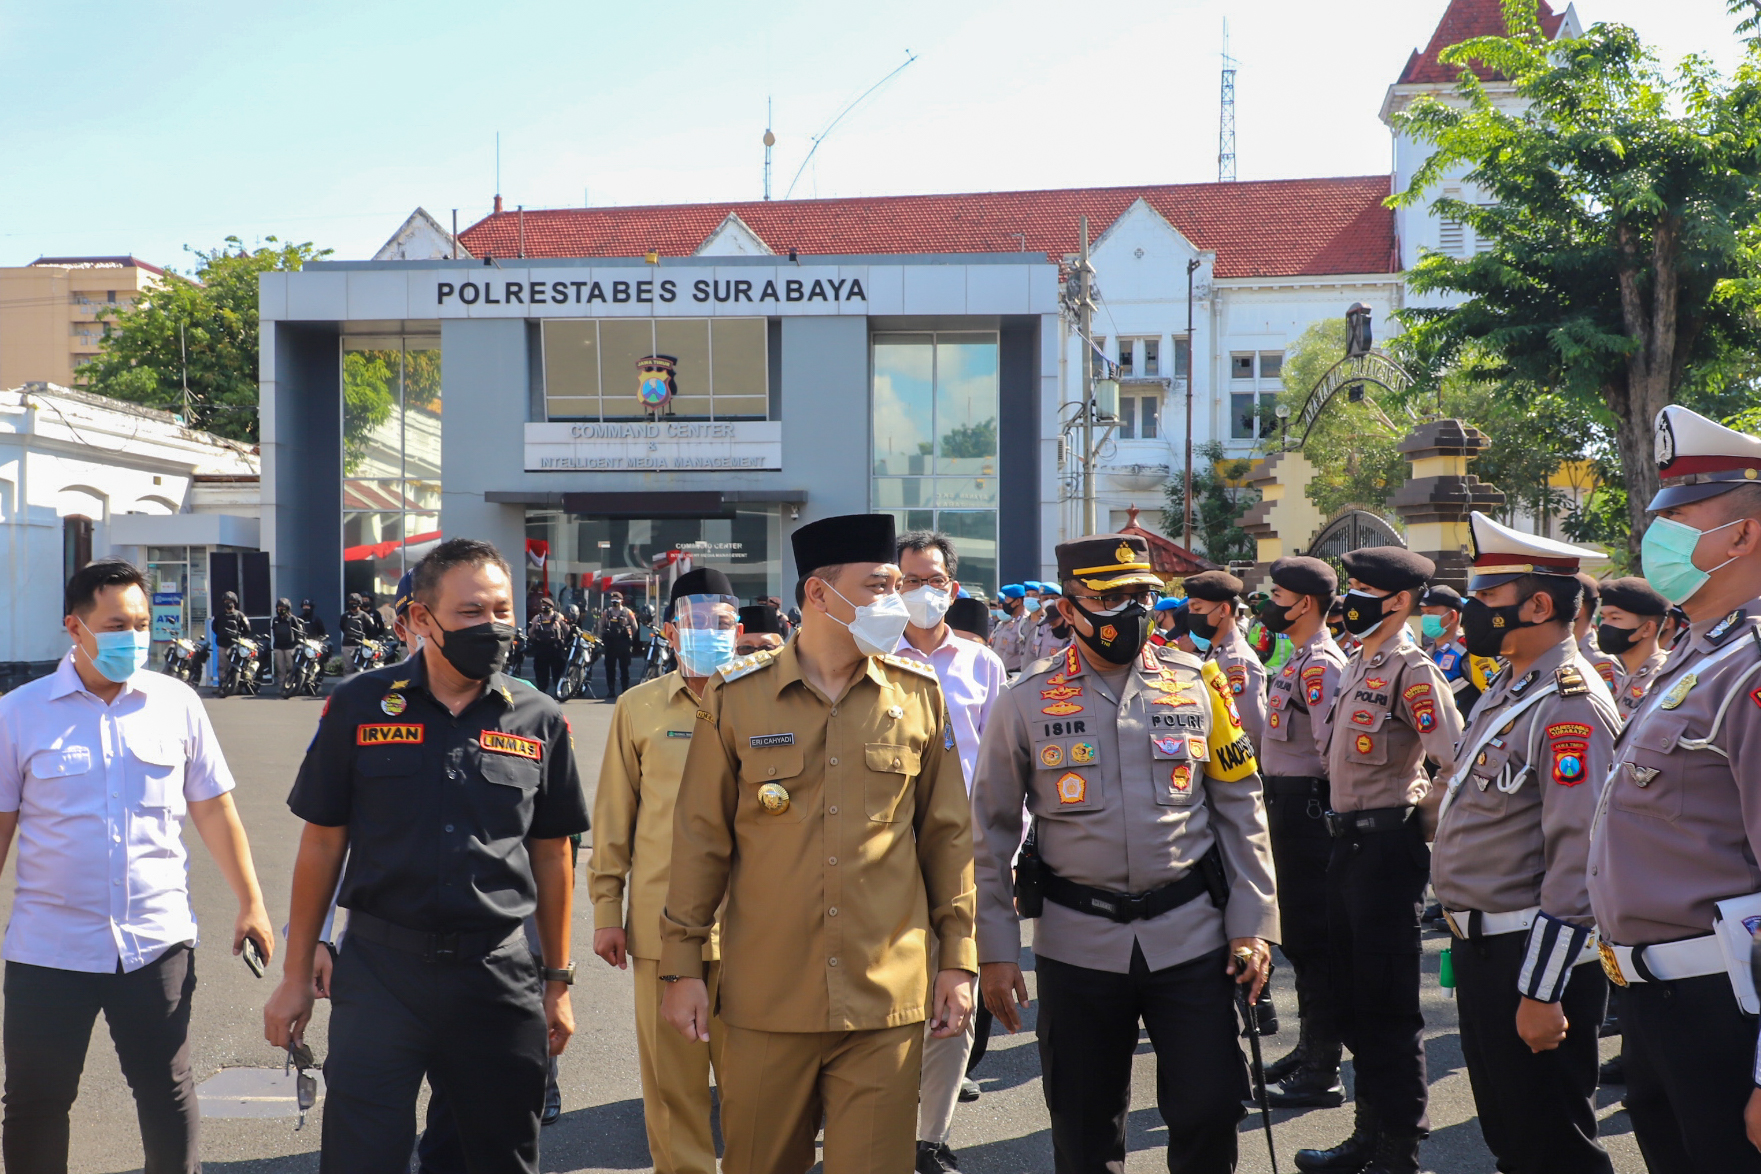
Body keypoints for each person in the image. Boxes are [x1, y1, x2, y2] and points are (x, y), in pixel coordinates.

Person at [659, 513, 975, 1174]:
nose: (897, 602)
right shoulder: (737, 699)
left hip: (884, 999)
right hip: (765, 999)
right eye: (879, 586)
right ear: (818, 596)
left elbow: (946, 839)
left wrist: (959, 960)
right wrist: (681, 967)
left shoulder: (918, 697)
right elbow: (698, 841)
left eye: (897, 586)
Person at [263, 538, 589, 1174]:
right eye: (470, 613)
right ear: (418, 618)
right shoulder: (359, 706)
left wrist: (558, 983)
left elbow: (553, 858)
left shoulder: (540, 718)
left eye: (501, 611)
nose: (491, 627)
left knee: (491, 1158)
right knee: (363, 1156)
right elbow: (323, 843)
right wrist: (297, 973)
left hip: (496, 976)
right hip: (383, 972)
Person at [971, 533, 1276, 1174]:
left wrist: (1253, 927)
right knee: (1085, 1126)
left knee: (1211, 1108)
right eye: (1109, 598)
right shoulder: (1024, 699)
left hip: (1191, 936)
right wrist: (995, 953)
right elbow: (990, 833)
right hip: (1077, 942)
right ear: (1070, 610)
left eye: (1140, 595)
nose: (1130, 612)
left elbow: (1241, 807)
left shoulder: (1199, 684)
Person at [0, 560, 274, 1173]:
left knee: (166, 1092)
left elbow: (214, 811)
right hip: (49, 950)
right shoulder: (19, 713)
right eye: (117, 624)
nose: (135, 637)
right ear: (75, 626)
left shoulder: (176, 704)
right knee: (36, 1103)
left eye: (143, 624)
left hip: (155, 944)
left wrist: (251, 902)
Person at [1586, 406, 1761, 1173]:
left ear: (1742, 535)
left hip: (1725, 1008)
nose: (1655, 536)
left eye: (1681, 517)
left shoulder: (1750, 667)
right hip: (1654, 1001)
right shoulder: (1696, 656)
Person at [1430, 513, 1618, 1174]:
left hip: (1530, 956)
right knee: (1513, 1138)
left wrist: (1540, 989)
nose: (1467, 613)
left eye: (1484, 599)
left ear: (1536, 605)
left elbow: (1579, 860)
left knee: (1551, 1145)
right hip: (1485, 948)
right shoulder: (1511, 687)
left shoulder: (1566, 704)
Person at [1295, 548, 1462, 1174]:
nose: (1351, 599)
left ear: (1398, 601)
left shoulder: (1413, 671)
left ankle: (1398, 1146)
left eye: (1363, 589)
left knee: (1388, 1008)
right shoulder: (1361, 657)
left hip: (1385, 851)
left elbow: (1456, 762)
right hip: (1346, 847)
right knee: (1353, 999)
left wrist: (1413, 831)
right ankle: (1369, 1132)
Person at [591, 569, 742, 1174]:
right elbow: (613, 820)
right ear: (670, 632)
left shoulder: (770, 697)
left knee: (756, 1088)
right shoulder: (640, 707)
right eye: (697, 623)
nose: (711, 634)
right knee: (672, 1087)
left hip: (755, 928)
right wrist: (607, 912)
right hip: (659, 929)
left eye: (723, 624)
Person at [889, 531, 1008, 1174]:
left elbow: (1001, 764)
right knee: (886, 996)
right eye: (907, 580)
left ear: (951, 588)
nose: (920, 591)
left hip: (965, 853)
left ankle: (926, 1140)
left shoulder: (983, 662)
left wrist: (1008, 852)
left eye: (931, 580)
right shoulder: (874, 652)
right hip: (887, 852)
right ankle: (874, 1124)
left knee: (954, 993)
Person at [1255, 556, 1351, 1108]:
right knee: (1301, 939)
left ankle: (1322, 1066)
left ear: (1305, 603)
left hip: (1308, 813)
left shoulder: (1321, 665)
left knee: (1314, 942)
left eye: (1278, 595)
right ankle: (1310, 1046)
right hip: (1286, 810)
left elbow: (1329, 750)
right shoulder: (1299, 659)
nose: (1270, 604)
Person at [1185, 570, 1268, 753]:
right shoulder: (1215, 652)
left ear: (1223, 610)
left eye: (1197, 609)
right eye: (1190, 609)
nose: (1191, 615)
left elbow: (1250, 730)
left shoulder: (1235, 661)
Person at [1592, 577, 1671, 719]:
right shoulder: (1626, 674)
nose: (1604, 625)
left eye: (1615, 618)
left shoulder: (1661, 680)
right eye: (1603, 618)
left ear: (1647, 628)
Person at [526, 598, 570, 698]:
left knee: (558, 672)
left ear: (552, 606)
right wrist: (535, 630)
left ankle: (559, 691)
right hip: (541, 648)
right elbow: (530, 633)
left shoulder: (558, 617)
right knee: (541, 673)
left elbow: (567, 631)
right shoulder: (537, 618)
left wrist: (559, 628)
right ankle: (542, 692)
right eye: (543, 605)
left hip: (556, 648)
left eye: (547, 605)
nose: (544, 607)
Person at [599, 592, 639, 699]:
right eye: (613, 600)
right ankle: (611, 690)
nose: (614, 602)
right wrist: (602, 638)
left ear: (621, 601)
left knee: (624, 668)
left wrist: (629, 638)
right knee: (610, 668)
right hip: (610, 644)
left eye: (617, 600)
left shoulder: (627, 612)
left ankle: (625, 690)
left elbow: (635, 627)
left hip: (623, 644)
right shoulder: (606, 612)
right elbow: (601, 626)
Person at [990, 584, 1026, 673]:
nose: (1004, 604)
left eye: (1007, 599)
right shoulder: (1013, 622)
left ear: (1017, 601)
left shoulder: (1025, 623)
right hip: (1005, 674)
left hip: (1016, 674)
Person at [338, 593, 371, 673]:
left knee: (361, 669)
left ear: (359, 603)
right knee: (348, 669)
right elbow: (342, 627)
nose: (352, 604)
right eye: (351, 601)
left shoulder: (364, 616)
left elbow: (370, 629)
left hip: (361, 646)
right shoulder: (345, 616)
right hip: (347, 645)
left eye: (355, 602)